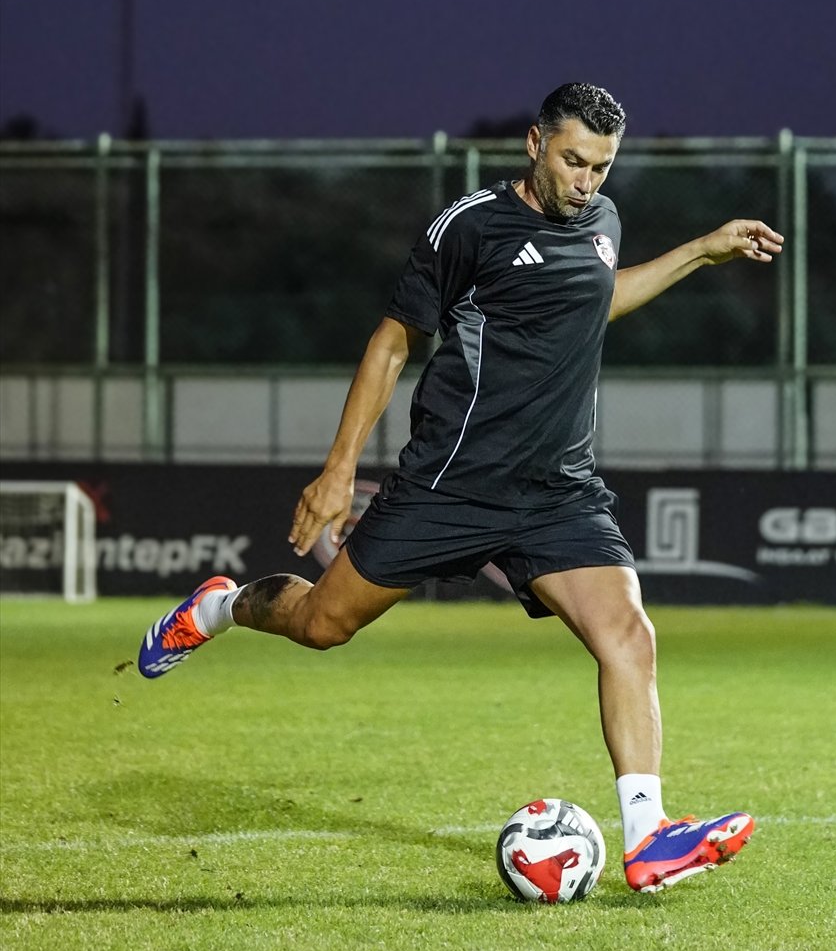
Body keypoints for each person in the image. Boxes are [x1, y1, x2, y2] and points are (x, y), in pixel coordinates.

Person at [138, 83, 783, 893]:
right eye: (575, 161)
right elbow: (392, 341)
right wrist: (340, 468)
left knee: (629, 634)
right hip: (449, 485)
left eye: (603, 168)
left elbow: (594, 301)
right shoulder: (469, 227)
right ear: (534, 144)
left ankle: (649, 837)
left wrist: (699, 250)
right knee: (321, 622)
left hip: (558, 491)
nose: (588, 181)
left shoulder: (604, 224)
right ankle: (219, 608)